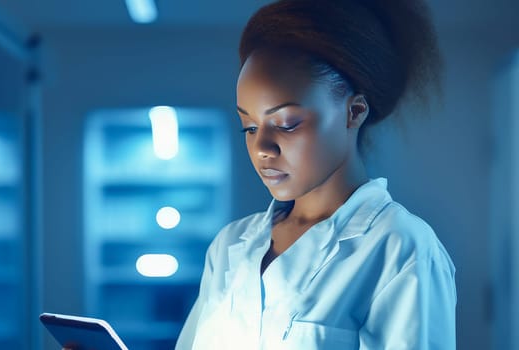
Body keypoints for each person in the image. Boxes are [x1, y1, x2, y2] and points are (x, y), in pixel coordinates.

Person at [175, 0, 456, 349]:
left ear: (353, 112)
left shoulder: (399, 247)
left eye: (286, 124)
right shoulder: (230, 245)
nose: (262, 147)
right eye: (248, 127)